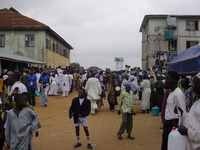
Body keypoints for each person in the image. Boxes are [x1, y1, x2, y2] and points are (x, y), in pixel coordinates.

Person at [161, 71, 186, 150]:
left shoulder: (177, 94)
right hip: (167, 125)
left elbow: (183, 113)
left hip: (173, 125)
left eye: (168, 79)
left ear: (175, 80)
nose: (165, 81)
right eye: (165, 79)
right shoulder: (171, 92)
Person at [175, 73, 200, 150]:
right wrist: (182, 113)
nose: (191, 85)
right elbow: (193, 119)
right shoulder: (197, 101)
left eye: (194, 83)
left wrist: (188, 132)